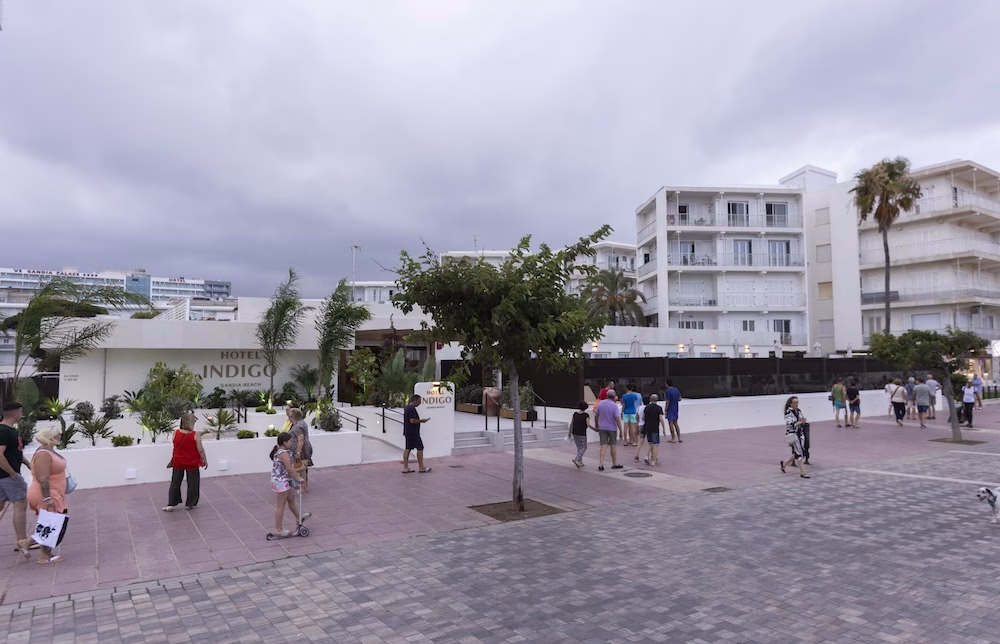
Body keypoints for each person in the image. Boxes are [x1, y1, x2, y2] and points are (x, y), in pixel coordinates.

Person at [16, 428, 69, 563]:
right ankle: (45, 555)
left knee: (53, 521)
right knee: (51, 522)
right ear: (51, 437)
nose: (60, 436)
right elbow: (43, 478)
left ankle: (27, 542)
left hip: (54, 492)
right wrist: (47, 497)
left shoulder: (48, 451)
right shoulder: (43, 454)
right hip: (45, 493)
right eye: (58, 434)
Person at [0, 402, 29, 554]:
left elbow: (15, 452)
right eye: (20, 412)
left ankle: (22, 541)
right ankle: (22, 540)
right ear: (14, 413)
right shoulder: (3, 431)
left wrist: (28, 464)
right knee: (20, 505)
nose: (21, 414)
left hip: (5, 476)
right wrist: (12, 474)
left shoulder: (10, 431)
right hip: (8, 477)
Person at [164, 412, 208, 512]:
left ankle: (171, 503)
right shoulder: (195, 434)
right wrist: (205, 460)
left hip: (178, 461)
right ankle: (190, 503)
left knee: (175, 482)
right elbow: (200, 450)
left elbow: (175, 446)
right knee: (193, 483)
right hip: (192, 462)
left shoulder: (176, 432)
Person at [269, 432, 308, 537]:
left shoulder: (281, 452)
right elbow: (289, 469)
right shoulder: (283, 453)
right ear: (285, 442)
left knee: (291, 500)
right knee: (281, 505)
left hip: (283, 480)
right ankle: (278, 530)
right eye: (290, 441)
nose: (292, 443)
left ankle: (299, 517)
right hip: (281, 482)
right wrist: (299, 478)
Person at [780, 397, 809, 478]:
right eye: (795, 402)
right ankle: (803, 472)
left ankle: (784, 463)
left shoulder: (799, 411)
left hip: (800, 433)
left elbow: (800, 420)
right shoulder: (788, 412)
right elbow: (790, 423)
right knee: (800, 453)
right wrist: (799, 422)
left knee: (798, 452)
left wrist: (803, 421)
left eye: (797, 402)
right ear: (791, 403)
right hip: (793, 434)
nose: (796, 404)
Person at [402, 394, 431, 474]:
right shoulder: (412, 409)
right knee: (420, 448)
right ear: (414, 400)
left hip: (408, 432)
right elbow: (412, 420)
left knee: (408, 448)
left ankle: (405, 467)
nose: (420, 403)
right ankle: (421, 467)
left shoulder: (407, 408)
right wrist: (422, 421)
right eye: (419, 401)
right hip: (413, 433)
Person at [595, 391, 623, 471]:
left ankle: (601, 464)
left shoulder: (600, 404)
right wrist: (621, 430)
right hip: (612, 428)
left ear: (607, 396)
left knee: (603, 446)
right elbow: (617, 419)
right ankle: (614, 463)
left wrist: (597, 424)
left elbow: (596, 415)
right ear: (614, 397)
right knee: (613, 446)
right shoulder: (614, 406)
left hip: (602, 427)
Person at [287, 408, 313, 493]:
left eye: (289, 416)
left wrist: (298, 452)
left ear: (293, 417)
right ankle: (303, 486)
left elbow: (300, 440)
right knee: (302, 468)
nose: (288, 418)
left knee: (300, 469)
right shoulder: (301, 423)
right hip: (304, 448)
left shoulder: (297, 426)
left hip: (301, 450)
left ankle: (303, 487)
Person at [637, 394, 665, 466]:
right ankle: (654, 461)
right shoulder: (659, 408)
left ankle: (647, 456)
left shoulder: (647, 407)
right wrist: (664, 428)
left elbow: (643, 418)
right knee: (655, 444)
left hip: (647, 427)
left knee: (650, 443)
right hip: (654, 427)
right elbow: (661, 419)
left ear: (650, 399)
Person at [568, 402, 592, 468]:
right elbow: (588, 424)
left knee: (579, 447)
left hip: (575, 432)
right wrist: (595, 429)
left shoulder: (575, 414)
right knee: (584, 447)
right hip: (582, 433)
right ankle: (577, 458)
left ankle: (580, 461)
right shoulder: (586, 415)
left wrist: (569, 433)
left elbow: (571, 424)